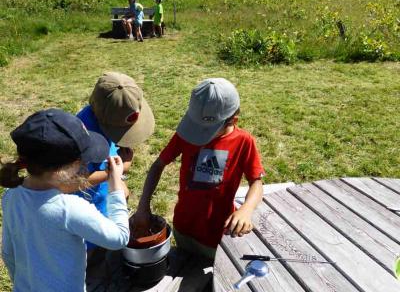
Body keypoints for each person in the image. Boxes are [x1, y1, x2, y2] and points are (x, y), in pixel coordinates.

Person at [133, 78, 264, 259]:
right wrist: (142, 206)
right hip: (184, 228)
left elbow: (256, 181)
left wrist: (246, 209)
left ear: (232, 119)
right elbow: (158, 165)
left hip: (218, 234)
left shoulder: (244, 142)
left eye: (206, 129)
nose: (199, 133)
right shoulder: (188, 133)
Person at [1, 108, 129, 292]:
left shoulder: (11, 196)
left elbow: (7, 253)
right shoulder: (69, 209)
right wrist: (115, 183)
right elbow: (119, 237)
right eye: (83, 161)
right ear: (64, 169)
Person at [76, 71, 154, 257]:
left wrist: (119, 181)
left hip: (104, 203)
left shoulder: (106, 116)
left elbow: (106, 159)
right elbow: (75, 181)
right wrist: (118, 172)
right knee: (95, 262)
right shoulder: (82, 138)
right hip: (89, 218)